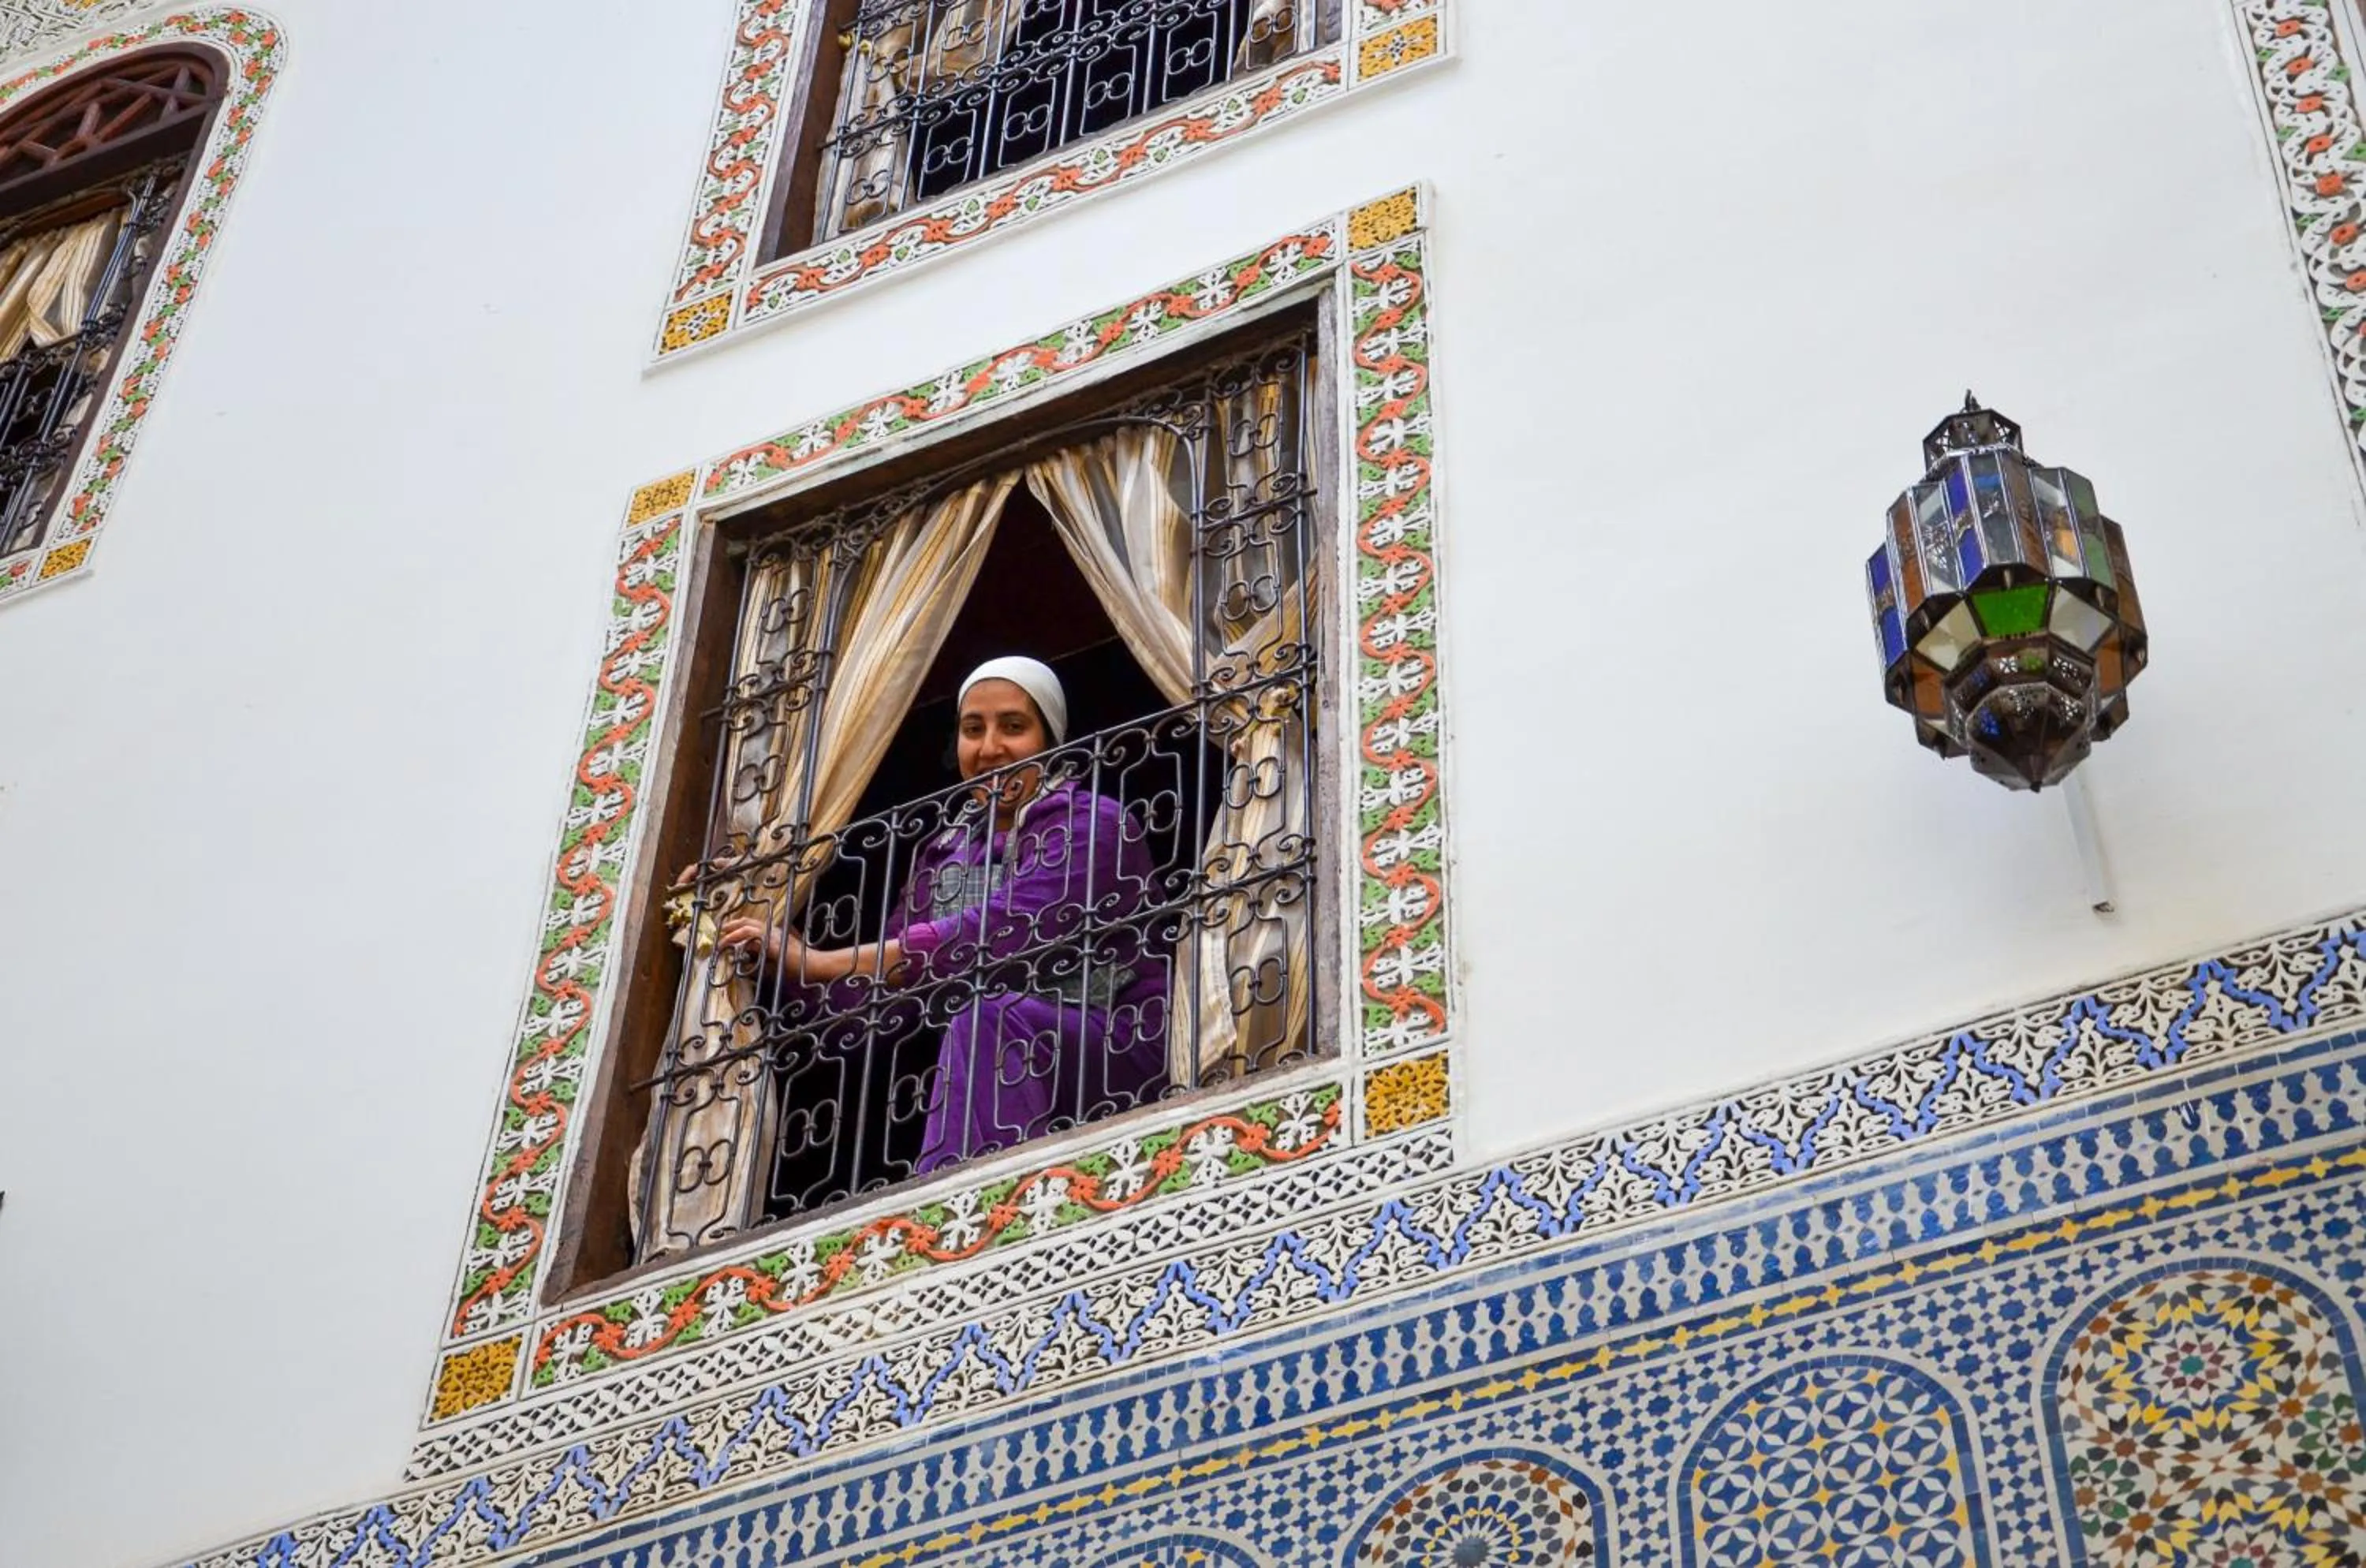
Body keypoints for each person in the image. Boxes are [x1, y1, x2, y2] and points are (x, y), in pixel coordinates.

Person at [718, 656, 1171, 1174]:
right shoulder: (947, 852)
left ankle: (982, 1194)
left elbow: (1002, 931)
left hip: (1118, 1047)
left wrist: (819, 960)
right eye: (973, 729)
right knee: (985, 1019)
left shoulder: (1096, 822)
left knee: (988, 1016)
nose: (989, 749)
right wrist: (771, 938)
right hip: (1009, 1061)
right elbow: (873, 1001)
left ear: (1050, 741)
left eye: (1014, 727)